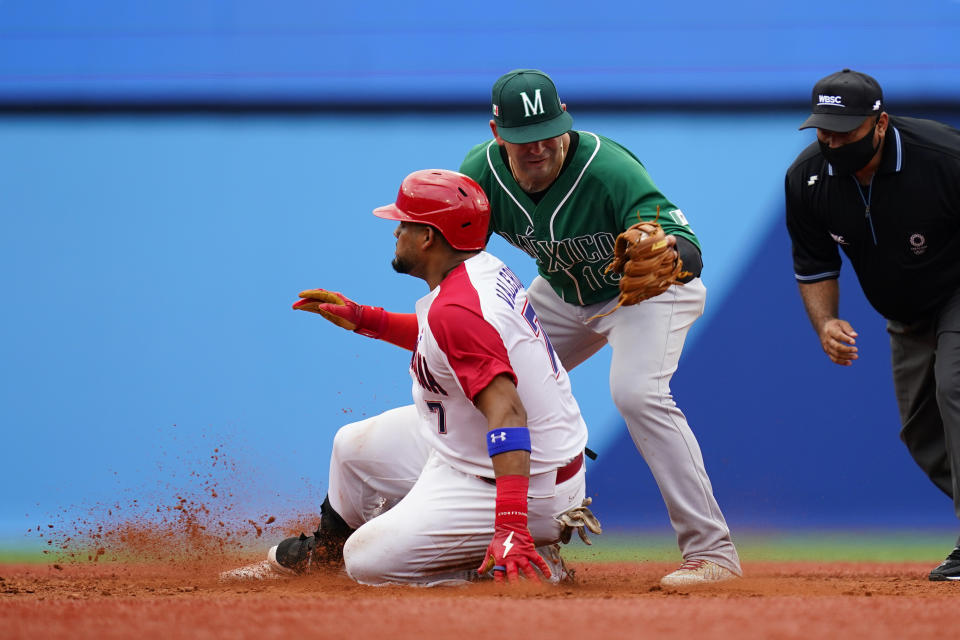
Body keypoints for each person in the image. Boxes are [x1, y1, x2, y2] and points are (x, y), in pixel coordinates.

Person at [221, 169, 597, 586]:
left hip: (527, 484)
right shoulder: (478, 273)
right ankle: (326, 554)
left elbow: (507, 410)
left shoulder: (459, 309)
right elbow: (450, 344)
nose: (396, 230)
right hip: (483, 452)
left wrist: (510, 524)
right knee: (351, 446)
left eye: (403, 222)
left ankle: (515, 556)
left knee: (365, 560)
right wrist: (365, 319)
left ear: (428, 238)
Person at [458, 69, 741, 586]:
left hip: (646, 295)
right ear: (499, 136)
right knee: (484, 387)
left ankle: (713, 553)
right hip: (563, 296)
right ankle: (527, 547)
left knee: (637, 394)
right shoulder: (480, 173)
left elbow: (691, 249)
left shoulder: (607, 167)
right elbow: (458, 260)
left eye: (549, 131)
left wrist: (670, 252)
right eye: (524, 139)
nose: (539, 146)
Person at [785, 68, 960, 581]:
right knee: (921, 431)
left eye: (846, 131)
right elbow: (815, 264)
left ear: (880, 124)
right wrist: (826, 322)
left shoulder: (944, 158)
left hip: (956, 290)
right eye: (824, 130)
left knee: (956, 389)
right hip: (905, 314)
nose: (833, 142)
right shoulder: (809, 178)